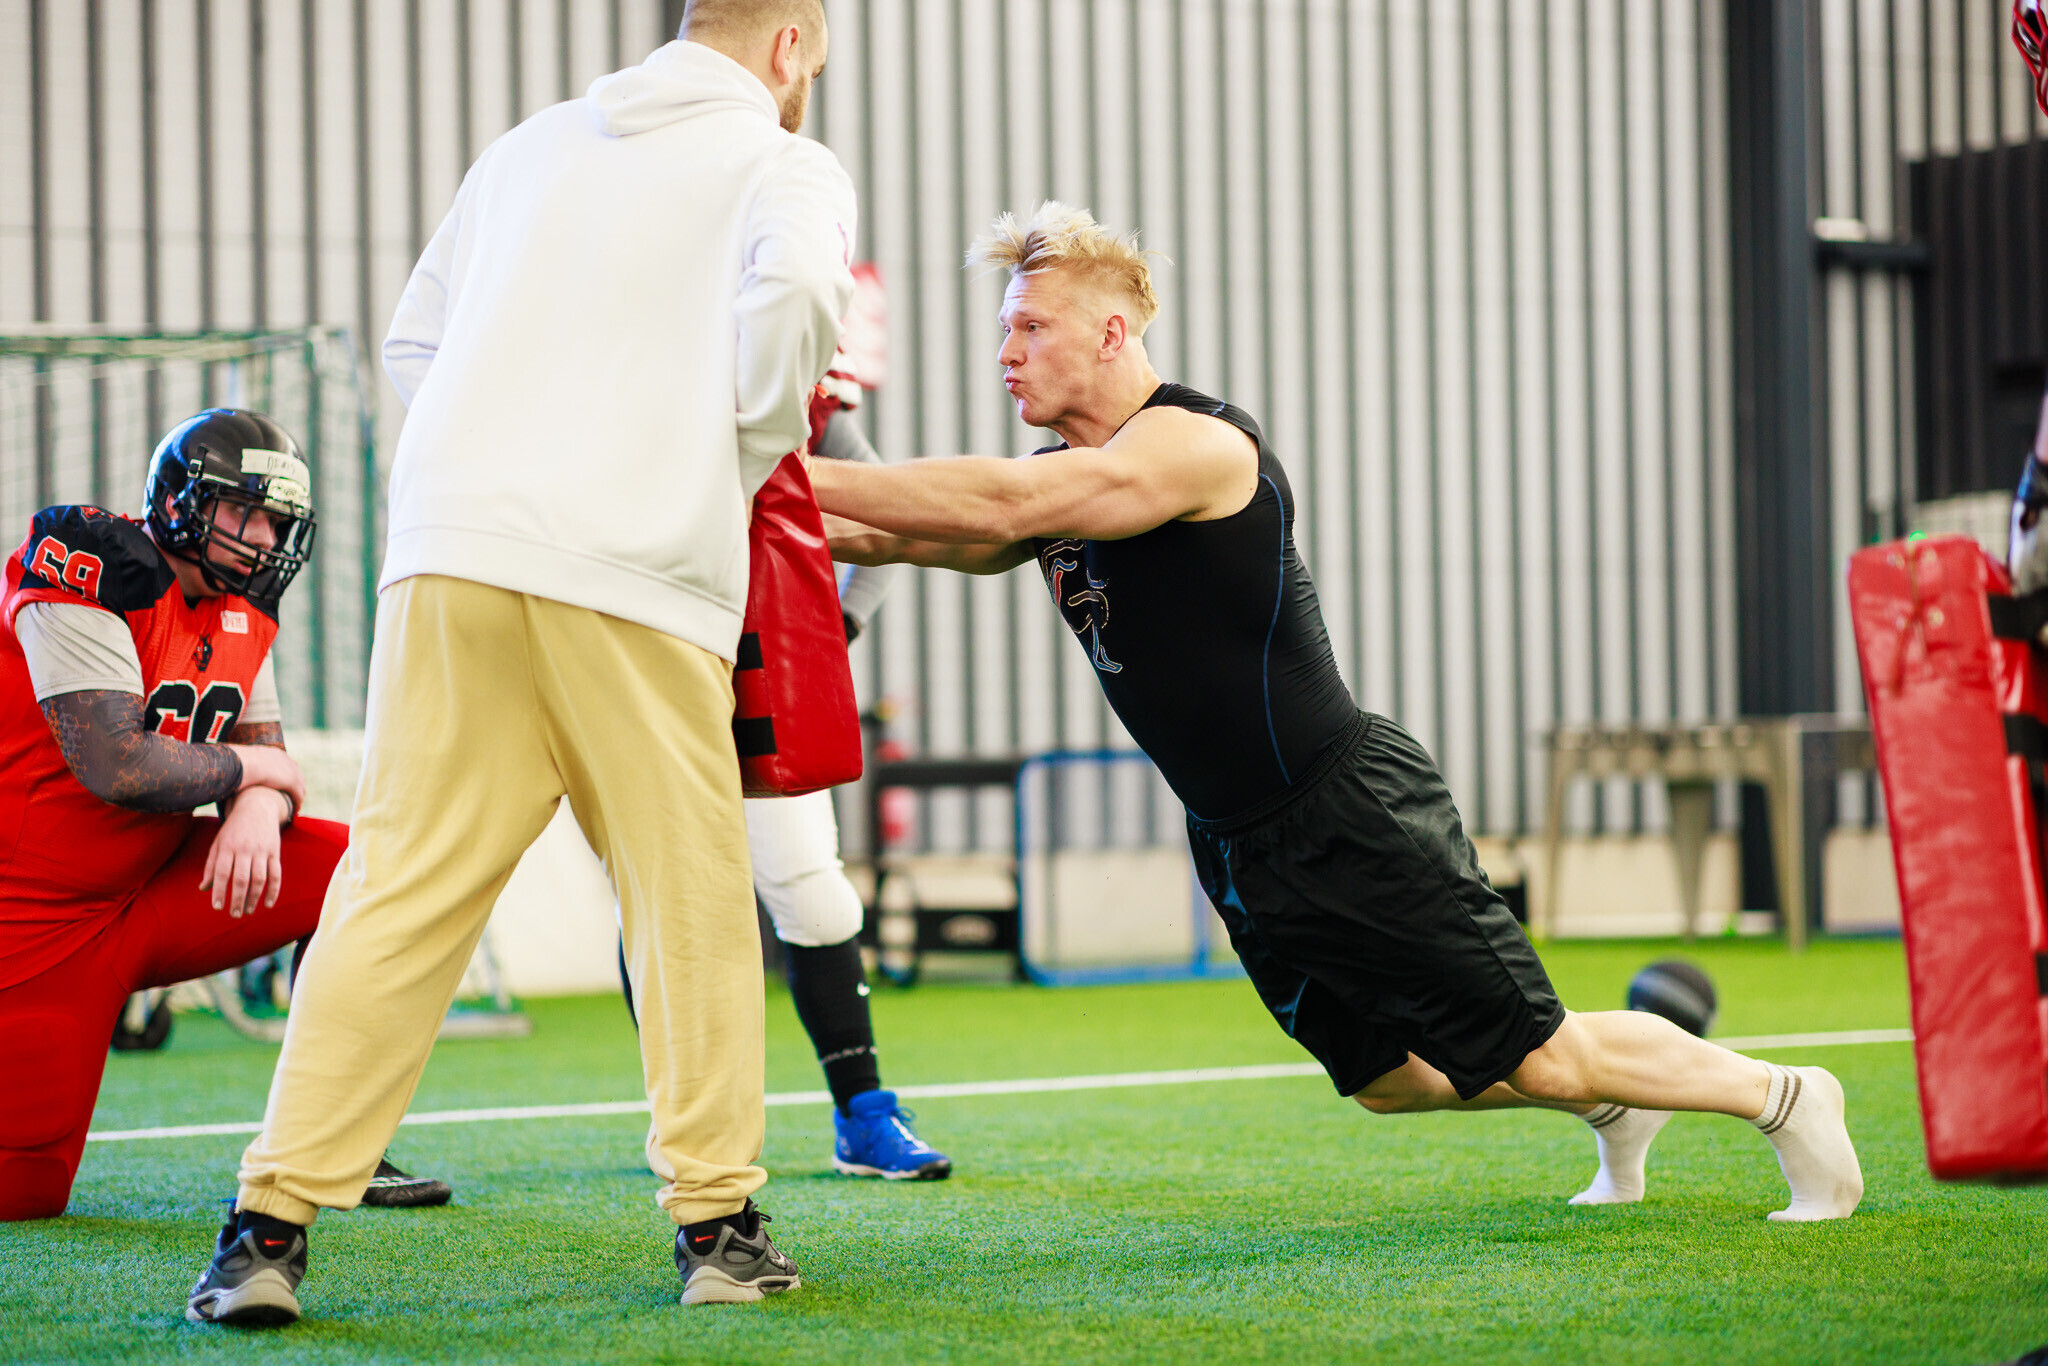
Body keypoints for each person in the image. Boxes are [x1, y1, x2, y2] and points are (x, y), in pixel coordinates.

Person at [809, 201, 1864, 1224]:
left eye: (1031, 327)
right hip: (1235, 837)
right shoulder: (1065, 483)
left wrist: (784, 467)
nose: (1006, 353)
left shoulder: (1193, 444)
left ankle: (1784, 1096)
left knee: (1541, 1051)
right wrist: (759, 498)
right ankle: (1613, 1098)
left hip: (1344, 808)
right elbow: (898, 535)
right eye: (1005, 330)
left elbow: (1001, 502)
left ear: (1111, 333)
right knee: (1388, 1081)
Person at [184, 0, 856, 1327]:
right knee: (687, 899)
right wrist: (718, 451)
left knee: (395, 886)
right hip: (640, 574)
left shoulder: (530, 145)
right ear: (790, 47)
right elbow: (792, 307)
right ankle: (718, 1231)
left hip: (450, 556)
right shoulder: (785, 163)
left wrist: (499, 458)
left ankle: (264, 1233)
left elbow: (414, 341)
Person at [0, 408, 446, 1220]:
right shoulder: (89, 565)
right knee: (24, 1193)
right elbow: (117, 765)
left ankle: (334, 1140)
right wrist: (259, 773)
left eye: (276, 519)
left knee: (360, 870)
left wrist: (257, 801)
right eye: (245, 511)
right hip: (38, 916)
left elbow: (263, 754)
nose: (265, 537)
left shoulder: (246, 605)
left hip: (159, 886)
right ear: (182, 502)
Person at [620, 353, 951, 1182]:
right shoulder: (628, 368)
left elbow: (883, 520)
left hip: (757, 668)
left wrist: (830, 629)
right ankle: (682, 1118)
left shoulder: (804, 392)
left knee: (810, 885)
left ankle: (863, 1111)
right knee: (657, 895)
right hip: (639, 662)